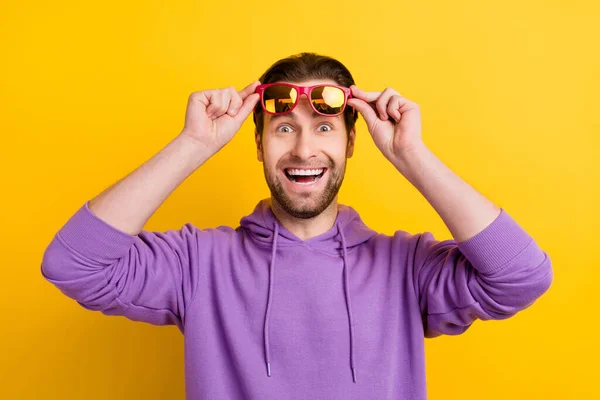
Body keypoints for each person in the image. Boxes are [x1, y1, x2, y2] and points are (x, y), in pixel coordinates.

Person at [41, 52, 553, 400]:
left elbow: (522, 276)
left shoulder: (408, 268)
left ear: (352, 143)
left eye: (324, 128)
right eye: (284, 128)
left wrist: (411, 154)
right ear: (258, 143)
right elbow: (73, 264)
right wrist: (193, 145)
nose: (304, 150)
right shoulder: (197, 263)